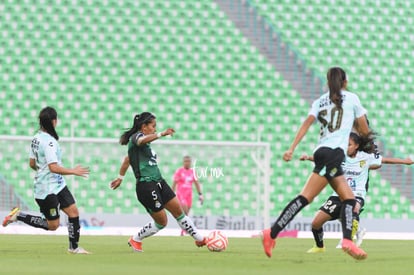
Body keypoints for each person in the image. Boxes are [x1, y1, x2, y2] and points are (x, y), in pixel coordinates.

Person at [261, 67, 370, 260]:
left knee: (332, 199)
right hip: (335, 153)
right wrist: (362, 134)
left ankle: (272, 233)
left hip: (321, 151)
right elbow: (364, 129)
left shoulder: (320, 101)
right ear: (344, 81)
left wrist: (291, 148)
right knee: (337, 200)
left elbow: (307, 123)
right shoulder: (352, 98)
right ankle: (346, 241)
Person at [110, 112, 206, 252]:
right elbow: (141, 141)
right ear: (144, 127)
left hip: (159, 182)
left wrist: (120, 177)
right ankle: (136, 239)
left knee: (179, 213)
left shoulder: (143, 147)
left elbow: (127, 160)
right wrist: (162, 134)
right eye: (153, 126)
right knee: (162, 222)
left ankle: (200, 239)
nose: (155, 129)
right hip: (146, 186)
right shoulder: (136, 138)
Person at [302, 132, 414, 253]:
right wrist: (308, 157)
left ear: (356, 145)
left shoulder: (366, 157)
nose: (346, 147)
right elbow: (323, 160)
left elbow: (386, 160)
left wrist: (405, 161)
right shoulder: (340, 155)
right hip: (338, 194)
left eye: (349, 144)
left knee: (353, 207)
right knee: (315, 223)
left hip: (356, 195)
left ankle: (347, 238)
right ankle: (319, 247)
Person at [2, 106, 90, 254]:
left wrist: (42, 171)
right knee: (53, 225)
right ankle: (18, 216)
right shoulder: (49, 142)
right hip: (47, 190)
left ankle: (74, 247)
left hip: (58, 185)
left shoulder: (36, 138)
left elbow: (32, 163)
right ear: (54, 121)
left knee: (73, 212)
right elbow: (53, 167)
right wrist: (73, 171)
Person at [172, 156, 203, 235]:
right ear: (183, 162)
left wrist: (200, 194)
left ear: (190, 162)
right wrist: (171, 194)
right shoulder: (179, 171)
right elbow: (174, 183)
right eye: (185, 161)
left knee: (186, 214)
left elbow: (196, 183)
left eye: (188, 161)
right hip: (181, 194)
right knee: (185, 211)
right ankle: (186, 230)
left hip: (189, 195)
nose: (187, 163)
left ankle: (184, 230)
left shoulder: (193, 172)